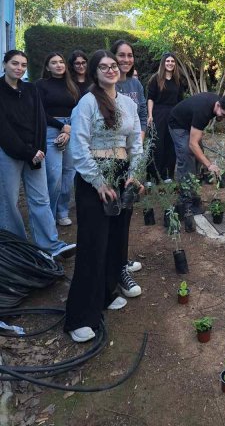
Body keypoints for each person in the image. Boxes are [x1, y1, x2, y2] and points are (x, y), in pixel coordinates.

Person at [65, 50, 143, 342]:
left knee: (116, 238)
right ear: (95, 73)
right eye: (104, 67)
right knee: (93, 242)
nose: (111, 69)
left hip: (122, 176)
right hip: (94, 177)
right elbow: (78, 146)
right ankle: (80, 316)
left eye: (114, 65)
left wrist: (134, 173)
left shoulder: (128, 103)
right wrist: (98, 182)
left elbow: (135, 143)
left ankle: (106, 293)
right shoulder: (87, 102)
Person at [0, 50, 76, 258]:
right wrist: (27, 151)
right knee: (9, 202)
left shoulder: (30, 89)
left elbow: (40, 119)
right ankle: (18, 249)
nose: (19, 68)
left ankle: (50, 245)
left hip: (35, 152)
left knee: (41, 199)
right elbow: (4, 129)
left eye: (23, 65)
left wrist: (39, 148)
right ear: (5, 64)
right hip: (10, 153)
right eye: (14, 63)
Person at [111, 39, 147, 293]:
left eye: (129, 55)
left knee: (127, 209)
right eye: (121, 55)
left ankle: (121, 260)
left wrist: (138, 141)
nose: (125, 59)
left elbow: (142, 114)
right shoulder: (108, 84)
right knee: (113, 213)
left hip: (132, 154)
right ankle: (115, 266)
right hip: (111, 156)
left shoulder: (135, 84)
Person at [36, 52, 80, 226]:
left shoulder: (71, 85)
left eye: (61, 61)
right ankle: (50, 214)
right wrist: (61, 126)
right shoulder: (41, 85)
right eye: (53, 62)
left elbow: (77, 110)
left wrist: (69, 129)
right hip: (51, 130)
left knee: (69, 173)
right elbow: (39, 111)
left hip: (71, 129)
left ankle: (62, 211)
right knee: (54, 175)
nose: (59, 65)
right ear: (47, 67)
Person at [169, 93, 225, 181]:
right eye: (223, 115)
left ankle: (195, 178)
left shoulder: (219, 102)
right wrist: (209, 165)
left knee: (199, 150)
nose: (223, 117)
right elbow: (192, 144)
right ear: (218, 105)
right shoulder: (203, 111)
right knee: (186, 152)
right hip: (177, 123)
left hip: (190, 122)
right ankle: (186, 185)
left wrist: (220, 116)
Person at [147, 53, 184, 181]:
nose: (170, 63)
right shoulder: (155, 79)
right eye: (167, 61)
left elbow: (180, 101)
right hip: (158, 114)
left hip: (173, 115)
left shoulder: (178, 80)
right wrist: (150, 115)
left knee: (170, 145)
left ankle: (167, 174)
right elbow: (150, 98)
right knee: (157, 144)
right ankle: (153, 176)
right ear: (163, 63)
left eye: (172, 61)